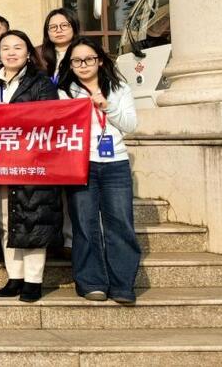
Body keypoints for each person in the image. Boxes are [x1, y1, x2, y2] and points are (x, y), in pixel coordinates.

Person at [58, 36, 141, 305]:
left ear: (100, 61)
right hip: (80, 163)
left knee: (120, 223)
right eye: (77, 61)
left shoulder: (119, 88)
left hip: (115, 162)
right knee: (85, 224)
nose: (83, 65)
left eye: (89, 59)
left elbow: (130, 125)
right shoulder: (65, 92)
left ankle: (122, 284)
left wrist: (107, 106)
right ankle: (91, 282)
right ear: (70, 64)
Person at [0, 29, 62, 303]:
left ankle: (33, 280)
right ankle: (14, 277)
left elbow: (49, 120)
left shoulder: (41, 83)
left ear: (28, 53)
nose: (11, 52)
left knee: (32, 218)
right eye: (5, 48)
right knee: (7, 220)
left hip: (32, 162)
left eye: (17, 47)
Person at [39, 8, 80, 83]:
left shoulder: (86, 52)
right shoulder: (37, 54)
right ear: (47, 32)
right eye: (53, 27)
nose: (58, 30)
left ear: (74, 28)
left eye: (64, 25)